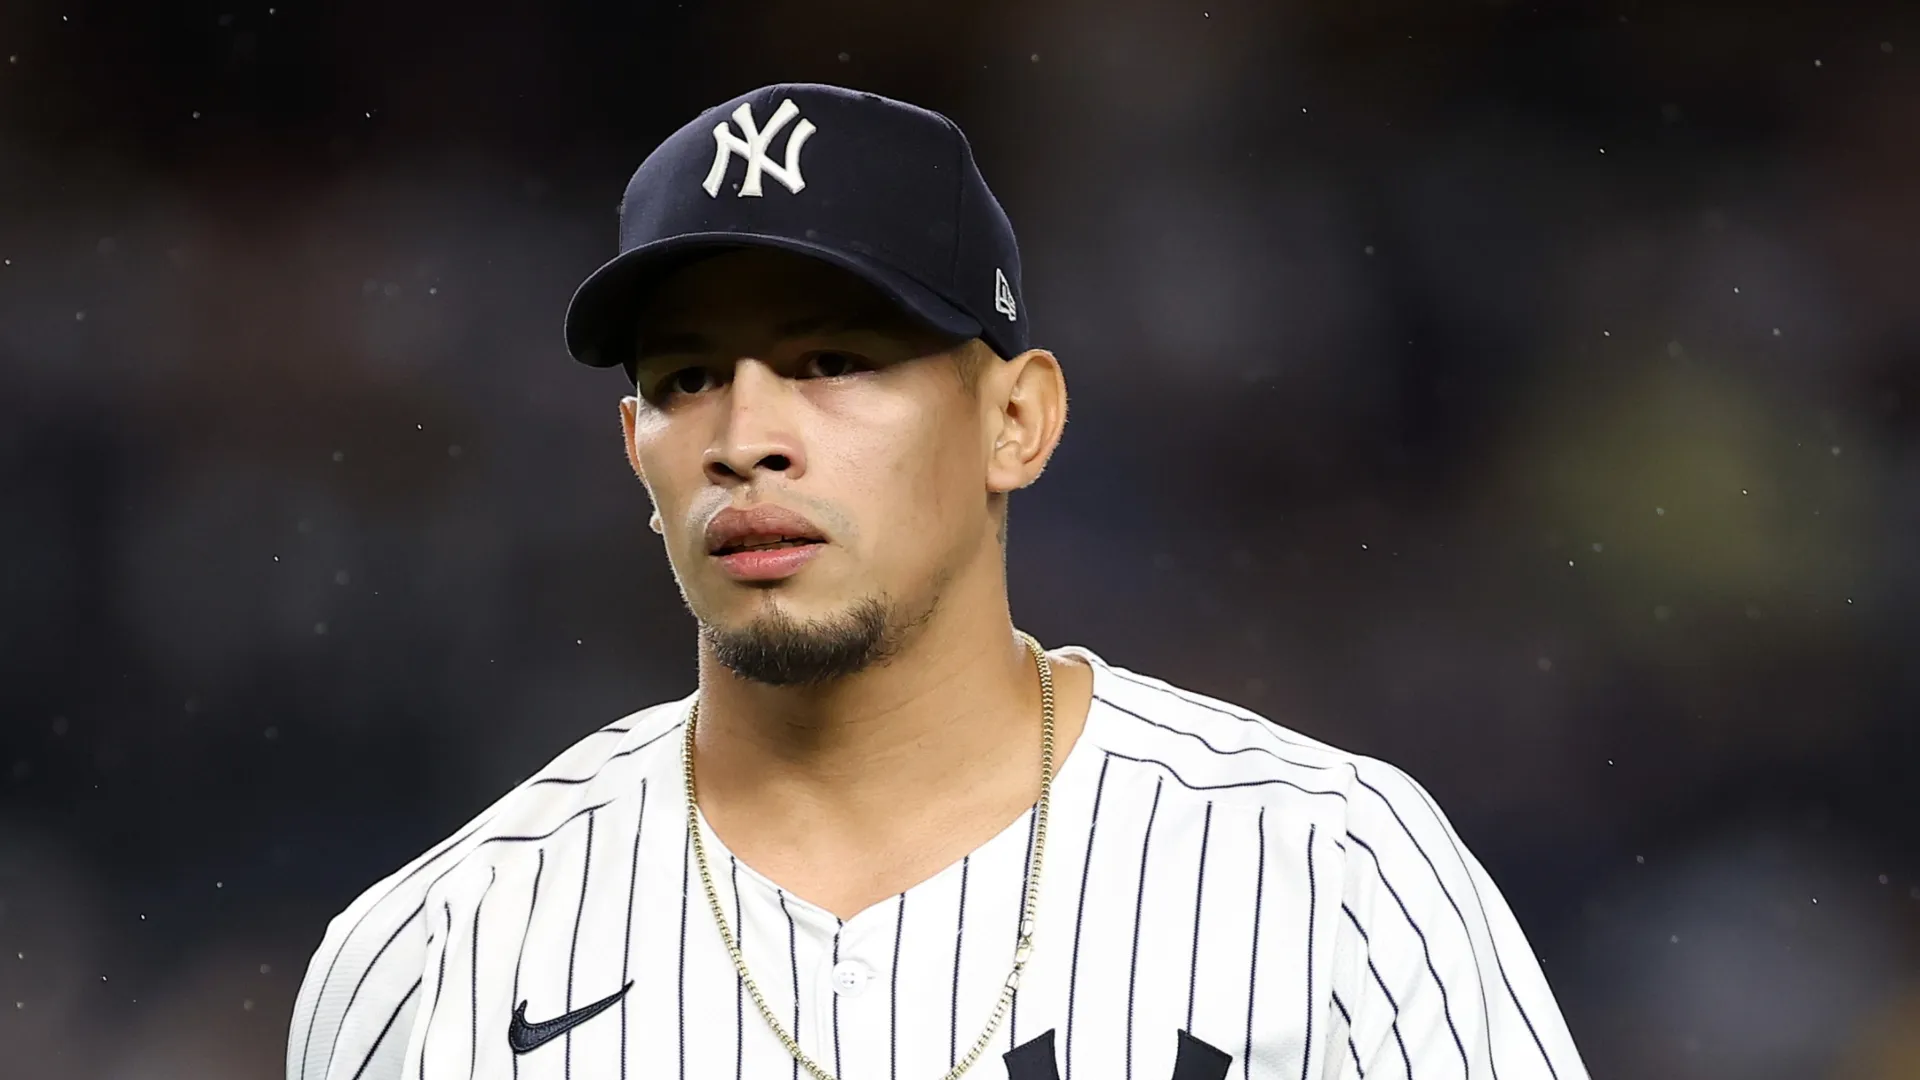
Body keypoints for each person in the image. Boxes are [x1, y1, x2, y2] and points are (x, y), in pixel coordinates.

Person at [286, 82, 1589, 1080]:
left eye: (834, 361)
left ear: (1016, 421)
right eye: (688, 377)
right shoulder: (442, 951)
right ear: (638, 449)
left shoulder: (1325, 870)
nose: (746, 436)